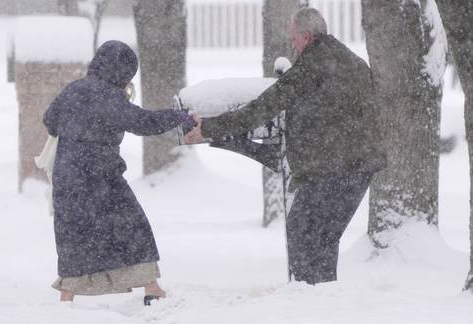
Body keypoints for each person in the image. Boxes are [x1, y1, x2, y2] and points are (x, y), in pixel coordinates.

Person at [185, 8, 386, 284]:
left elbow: (263, 107)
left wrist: (207, 128)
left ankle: (308, 299)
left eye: (293, 39)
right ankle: (323, 297)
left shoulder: (312, 63)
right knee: (323, 237)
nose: (292, 45)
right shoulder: (353, 62)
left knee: (302, 230)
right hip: (361, 167)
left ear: (306, 36)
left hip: (333, 167)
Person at [43, 40, 196, 304]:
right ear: (124, 72)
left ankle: (66, 297)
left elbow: (50, 121)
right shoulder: (108, 96)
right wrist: (179, 117)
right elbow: (143, 123)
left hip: (67, 180)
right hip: (101, 179)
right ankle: (151, 287)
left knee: (74, 236)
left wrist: (76, 127)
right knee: (132, 228)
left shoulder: (73, 90)